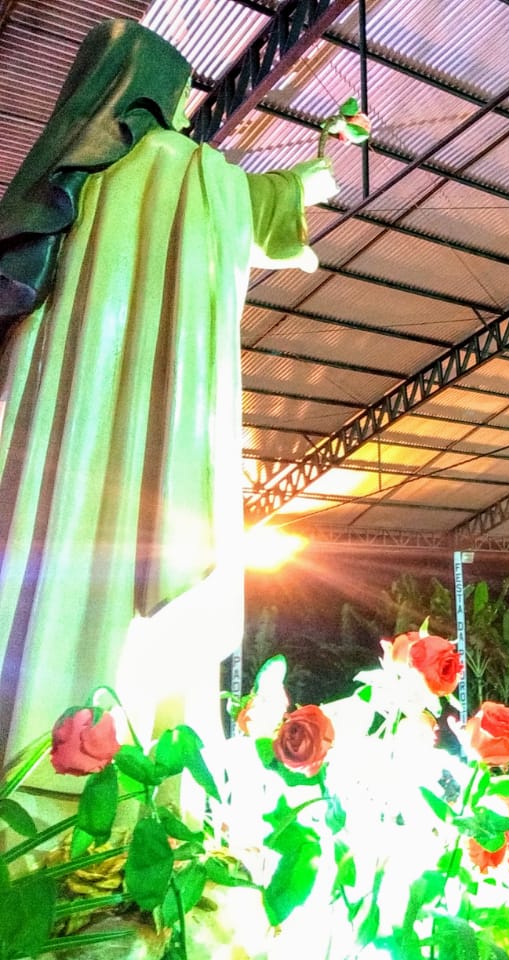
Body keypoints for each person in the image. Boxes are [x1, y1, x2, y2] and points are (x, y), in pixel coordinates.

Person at [0, 19, 338, 770]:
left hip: (54, 417)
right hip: (140, 430)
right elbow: (257, 212)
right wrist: (319, 165)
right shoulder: (177, 165)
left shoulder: (57, 176)